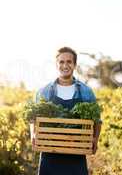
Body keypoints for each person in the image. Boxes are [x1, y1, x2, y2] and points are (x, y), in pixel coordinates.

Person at [32, 47, 102, 175]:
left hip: (76, 154)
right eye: (61, 62)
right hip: (49, 153)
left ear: (74, 65)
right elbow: (33, 117)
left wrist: (95, 139)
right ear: (56, 64)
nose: (65, 65)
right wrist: (33, 133)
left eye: (69, 62)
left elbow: (97, 119)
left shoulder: (86, 91)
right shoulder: (44, 91)